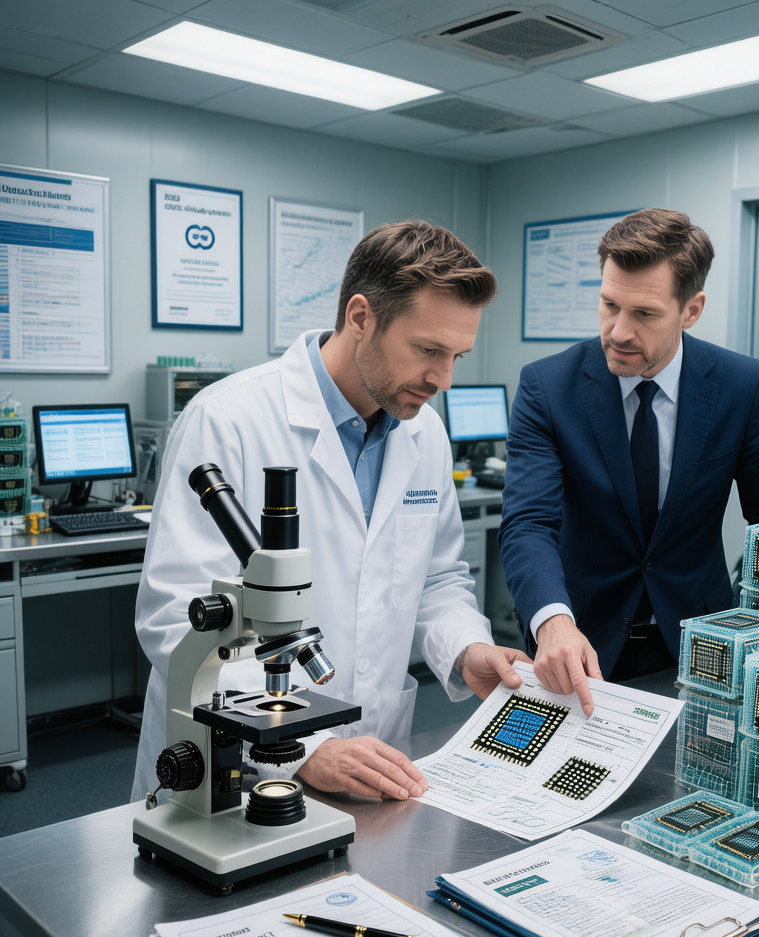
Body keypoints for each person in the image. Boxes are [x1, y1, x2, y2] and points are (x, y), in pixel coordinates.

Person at [133, 220, 526, 804]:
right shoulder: (227, 420)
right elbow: (177, 617)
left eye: (456, 356)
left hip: (373, 758)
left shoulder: (426, 434)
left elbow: (438, 580)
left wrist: (468, 649)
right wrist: (302, 744)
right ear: (361, 317)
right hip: (234, 763)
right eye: (427, 350)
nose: (442, 379)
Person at [499, 208, 759, 714]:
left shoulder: (740, 386)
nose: (618, 331)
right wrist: (551, 621)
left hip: (700, 644)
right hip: (577, 645)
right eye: (609, 305)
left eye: (644, 314)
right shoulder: (548, 387)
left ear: (691, 309)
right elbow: (528, 522)